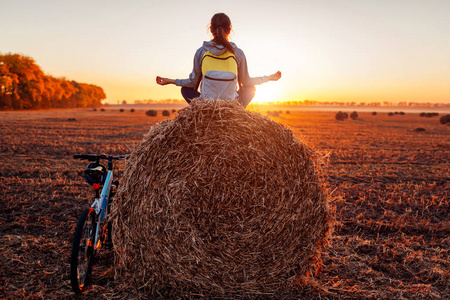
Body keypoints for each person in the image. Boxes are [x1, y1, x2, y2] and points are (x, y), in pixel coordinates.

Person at [156, 13, 281, 108]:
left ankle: (202, 110)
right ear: (229, 30)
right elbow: (247, 82)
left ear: (210, 29)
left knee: (184, 89)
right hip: (231, 105)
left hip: (206, 105)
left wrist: (170, 81)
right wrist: (268, 78)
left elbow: (192, 83)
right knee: (250, 88)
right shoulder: (238, 53)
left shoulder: (201, 51)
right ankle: (236, 110)